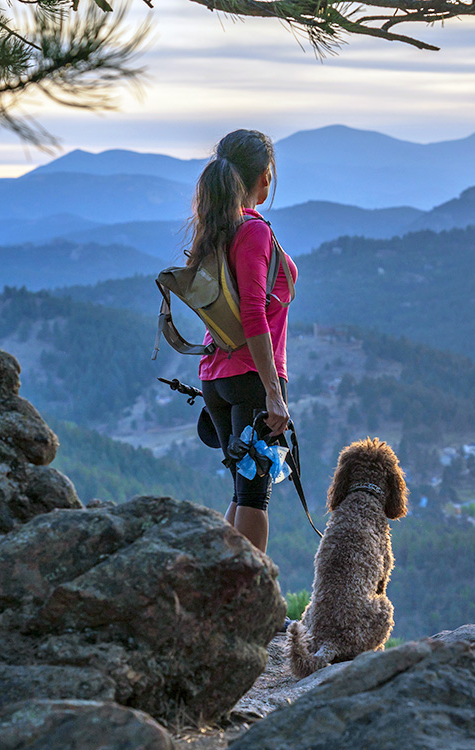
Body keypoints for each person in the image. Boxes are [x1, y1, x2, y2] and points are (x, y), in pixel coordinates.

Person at [187, 129, 297, 553]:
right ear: (265, 178)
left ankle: (225, 592)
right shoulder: (253, 232)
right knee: (255, 495)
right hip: (251, 377)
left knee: (241, 491)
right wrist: (274, 393)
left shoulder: (216, 228)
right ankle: (250, 607)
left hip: (216, 376)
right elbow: (253, 313)